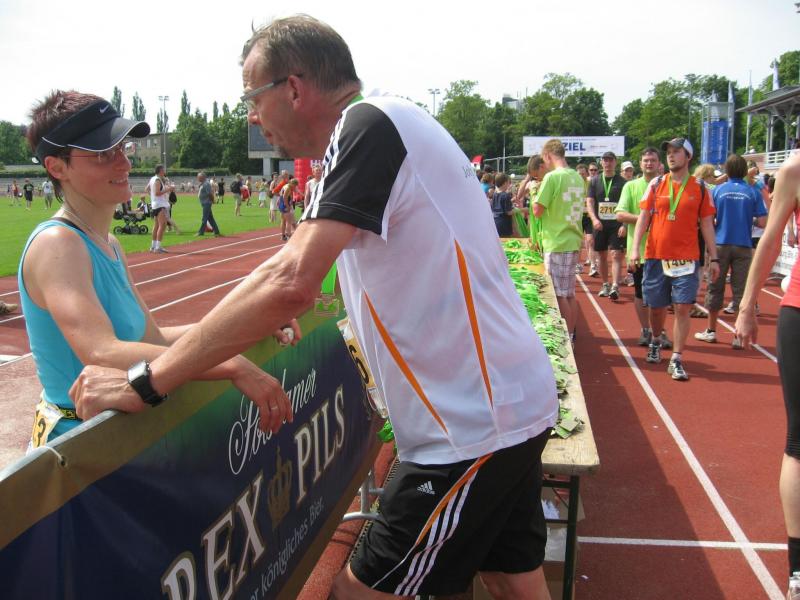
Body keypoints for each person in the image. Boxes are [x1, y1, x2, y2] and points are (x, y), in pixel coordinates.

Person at [71, 15, 558, 600]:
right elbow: (297, 270)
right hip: (503, 404)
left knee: (354, 594)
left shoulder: (368, 125)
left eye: (252, 99)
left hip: (469, 426)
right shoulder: (383, 124)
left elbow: (289, 280)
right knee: (511, 579)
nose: (251, 117)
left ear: (294, 89)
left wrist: (149, 382)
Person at [19, 90, 295, 448]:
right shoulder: (57, 244)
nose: (124, 164)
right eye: (103, 154)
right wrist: (230, 364)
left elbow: (153, 340)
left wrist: (247, 326)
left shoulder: (109, 244)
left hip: (120, 442)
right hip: (78, 450)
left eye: (122, 149)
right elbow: (101, 352)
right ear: (57, 167)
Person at [735, 151, 800, 596]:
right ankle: (798, 567)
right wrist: (746, 305)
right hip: (799, 311)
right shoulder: (795, 169)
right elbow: (771, 239)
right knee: (799, 441)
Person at [631, 137, 719, 381]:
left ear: (688, 157)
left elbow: (707, 224)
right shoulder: (657, 184)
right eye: (668, 152)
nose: (670, 155)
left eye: (676, 151)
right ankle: (656, 339)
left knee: (682, 306)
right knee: (656, 307)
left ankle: (677, 358)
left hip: (687, 258)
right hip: (656, 256)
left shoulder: (701, 188)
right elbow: (644, 217)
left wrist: (714, 258)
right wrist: (635, 249)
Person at [694, 153, 767, 347]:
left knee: (714, 287)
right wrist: (747, 219)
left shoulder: (718, 191)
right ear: (744, 171)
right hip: (743, 245)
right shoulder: (752, 191)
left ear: (726, 170)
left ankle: (711, 331)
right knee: (740, 290)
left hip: (719, 245)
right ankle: (737, 336)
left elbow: (708, 219)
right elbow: (762, 221)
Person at [616, 147, 672, 349]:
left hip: (663, 250)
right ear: (640, 164)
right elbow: (620, 214)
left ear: (659, 163)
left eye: (653, 160)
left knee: (662, 296)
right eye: (646, 160)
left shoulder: (669, 185)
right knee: (640, 293)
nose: (649, 164)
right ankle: (646, 329)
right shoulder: (631, 186)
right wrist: (645, 219)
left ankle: (660, 330)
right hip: (639, 251)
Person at [532, 139, 584, 341]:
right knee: (569, 293)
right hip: (572, 239)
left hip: (557, 241)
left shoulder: (552, 177)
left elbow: (537, 210)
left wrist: (535, 194)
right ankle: (570, 334)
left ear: (547, 156)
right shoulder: (578, 177)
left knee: (558, 295)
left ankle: (565, 338)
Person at [586, 151, 627, 299]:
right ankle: (605, 284)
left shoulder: (623, 182)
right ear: (601, 163)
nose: (608, 163)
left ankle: (615, 286)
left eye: (610, 160)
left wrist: (624, 225)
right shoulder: (594, 181)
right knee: (602, 255)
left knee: (616, 254)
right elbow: (589, 202)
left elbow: (627, 204)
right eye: (605, 160)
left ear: (615, 162)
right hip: (600, 225)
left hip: (616, 224)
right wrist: (594, 219)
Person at [147, 165, 173, 253]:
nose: (164, 171)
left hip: (155, 204)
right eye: (163, 170)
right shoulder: (157, 180)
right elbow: (157, 193)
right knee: (163, 225)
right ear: (160, 171)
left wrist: (152, 198)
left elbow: (147, 189)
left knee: (157, 225)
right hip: (160, 205)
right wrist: (168, 189)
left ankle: (153, 246)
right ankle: (158, 247)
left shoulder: (152, 179)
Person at [196, 171, 221, 237]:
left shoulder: (206, 184)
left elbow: (210, 194)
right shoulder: (203, 183)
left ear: (203, 177)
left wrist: (213, 201)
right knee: (210, 218)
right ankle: (216, 231)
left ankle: (201, 232)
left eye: (199, 177)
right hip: (205, 203)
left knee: (204, 218)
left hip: (207, 203)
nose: (197, 178)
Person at [491, 172, 514, 237]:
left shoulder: (494, 194)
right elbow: (509, 212)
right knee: (506, 241)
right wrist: (520, 210)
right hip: (504, 224)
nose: (509, 185)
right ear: (505, 183)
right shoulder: (506, 195)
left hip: (495, 221)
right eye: (508, 183)